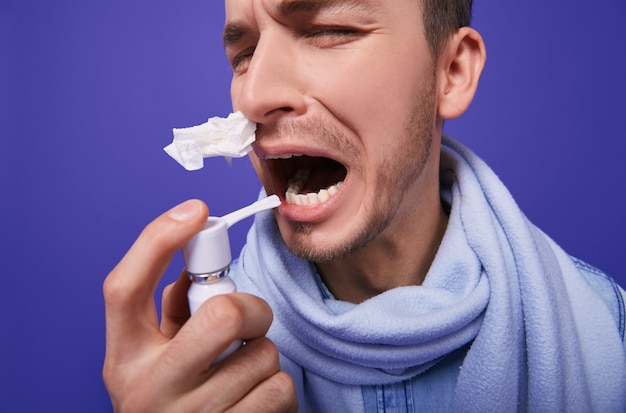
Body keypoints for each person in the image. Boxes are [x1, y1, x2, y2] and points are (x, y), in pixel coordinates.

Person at [102, 0, 626, 411]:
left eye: (328, 31)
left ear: (452, 72)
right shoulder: (207, 365)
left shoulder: (611, 333)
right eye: (243, 56)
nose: (253, 97)